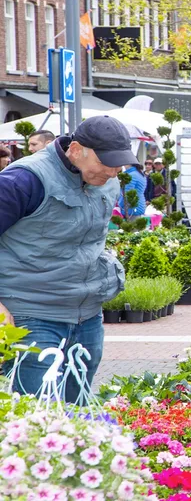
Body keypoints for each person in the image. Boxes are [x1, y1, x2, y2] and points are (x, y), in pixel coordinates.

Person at [0, 116, 136, 402]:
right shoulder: (24, 179)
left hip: (87, 316)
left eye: (119, 163)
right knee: (39, 415)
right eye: (107, 162)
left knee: (77, 416)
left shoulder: (107, 180)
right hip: (30, 314)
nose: (114, 172)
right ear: (75, 150)